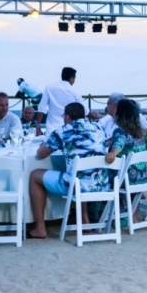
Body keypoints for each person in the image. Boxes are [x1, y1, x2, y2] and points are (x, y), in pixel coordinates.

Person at [27, 102, 108, 240]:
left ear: (68, 117)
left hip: (76, 186)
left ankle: (40, 228)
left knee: (35, 175)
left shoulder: (63, 131)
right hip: (102, 184)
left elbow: (41, 154)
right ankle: (84, 220)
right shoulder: (98, 128)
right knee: (81, 173)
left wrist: (44, 144)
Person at [105, 99, 147, 184]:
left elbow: (119, 143)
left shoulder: (121, 132)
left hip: (127, 179)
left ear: (120, 115)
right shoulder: (139, 133)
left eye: (116, 111)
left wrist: (112, 153)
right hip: (143, 178)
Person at [43, 67, 82, 135]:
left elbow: (41, 107)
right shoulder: (75, 92)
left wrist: (38, 125)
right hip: (68, 130)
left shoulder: (49, 87)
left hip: (51, 129)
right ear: (72, 78)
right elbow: (84, 111)